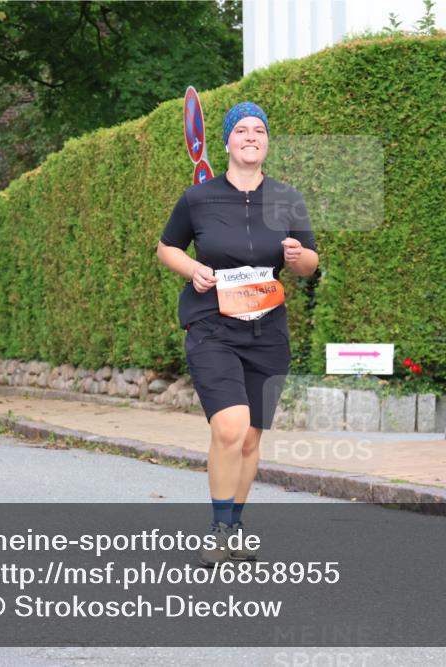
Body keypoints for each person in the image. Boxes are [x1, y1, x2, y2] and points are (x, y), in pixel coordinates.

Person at [156, 102, 319, 566]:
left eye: (259, 131)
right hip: (212, 324)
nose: (251, 137)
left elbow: (311, 264)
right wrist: (193, 270)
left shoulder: (287, 198)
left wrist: (295, 256)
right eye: (242, 130)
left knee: (249, 438)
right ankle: (215, 529)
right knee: (228, 427)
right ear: (226, 141)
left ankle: (234, 526)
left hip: (267, 331)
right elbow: (167, 248)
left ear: (267, 142)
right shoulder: (199, 199)